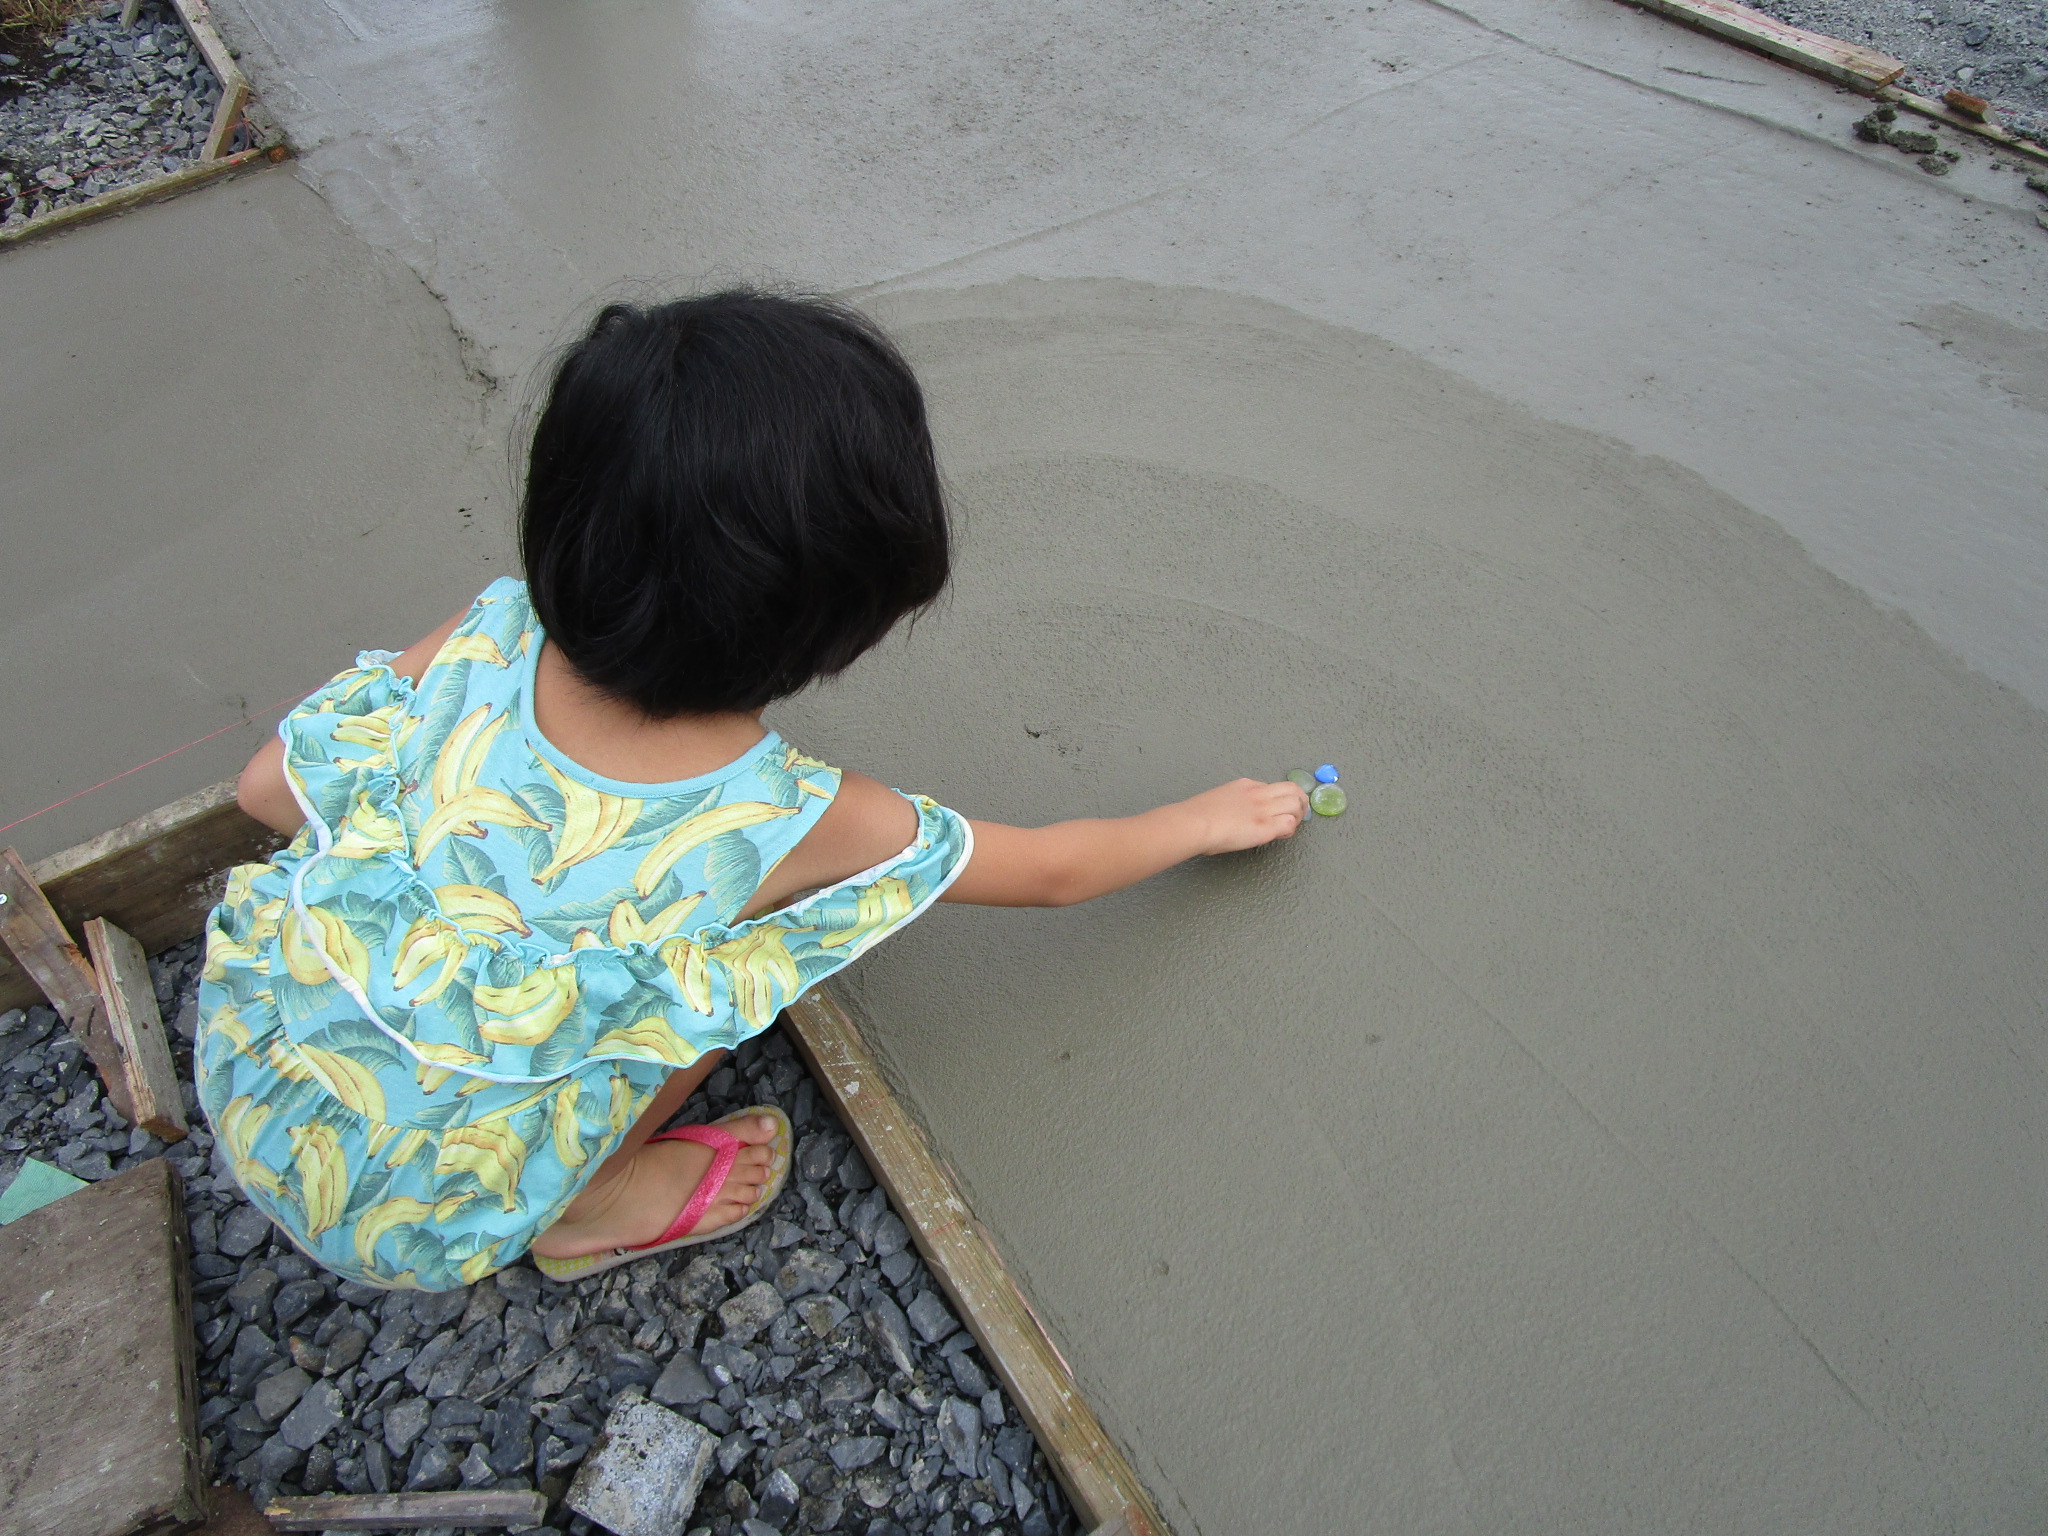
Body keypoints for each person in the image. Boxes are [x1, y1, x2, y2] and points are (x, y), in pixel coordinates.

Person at [198, 290, 1310, 1290]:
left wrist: (441, 897)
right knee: (713, 988)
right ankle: (588, 1207)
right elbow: (1054, 873)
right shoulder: (789, 815)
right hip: (430, 1219)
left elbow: (263, 791)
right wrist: (1202, 820)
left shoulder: (488, 631)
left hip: (257, 1082)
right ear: (833, 626)